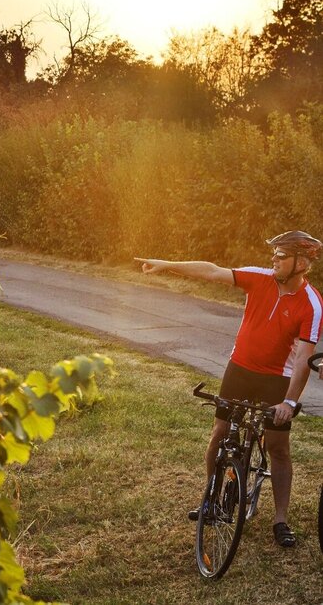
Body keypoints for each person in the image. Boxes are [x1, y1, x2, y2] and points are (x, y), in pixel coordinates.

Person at [136, 230, 323, 548]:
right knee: (220, 434)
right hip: (240, 368)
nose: (273, 260)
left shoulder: (312, 304)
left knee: (278, 446)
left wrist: (289, 402)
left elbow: (305, 358)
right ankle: (210, 496)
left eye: (281, 255)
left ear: (301, 263)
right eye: (274, 254)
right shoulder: (258, 278)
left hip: (277, 378)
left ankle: (280, 519)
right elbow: (211, 270)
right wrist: (166, 264)